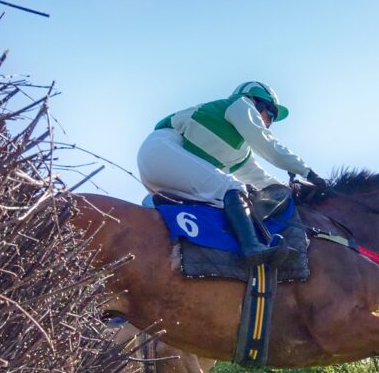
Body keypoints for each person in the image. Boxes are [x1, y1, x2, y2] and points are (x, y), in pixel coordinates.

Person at [137, 81, 326, 267]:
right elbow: (268, 145)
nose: (269, 122)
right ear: (256, 102)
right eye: (270, 114)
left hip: (164, 173)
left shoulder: (241, 154)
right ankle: (252, 248)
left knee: (229, 200)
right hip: (161, 149)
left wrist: (293, 191)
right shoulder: (240, 104)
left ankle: (154, 208)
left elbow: (263, 181)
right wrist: (308, 173)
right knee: (232, 187)